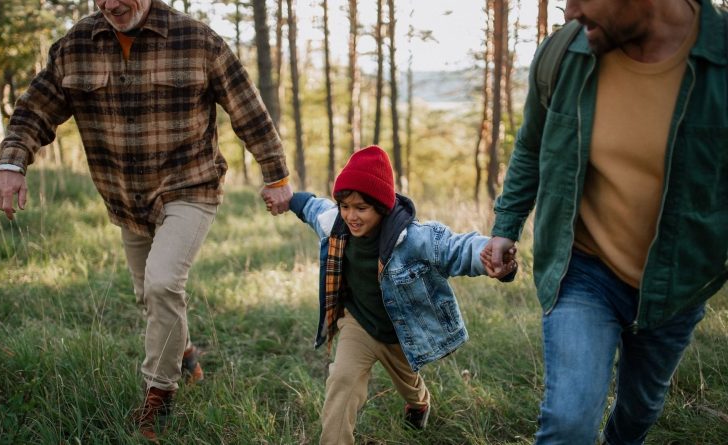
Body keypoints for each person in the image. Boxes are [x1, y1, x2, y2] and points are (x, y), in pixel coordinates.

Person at [0, 0, 292, 440]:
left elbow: (248, 109)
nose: (111, 4)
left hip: (190, 185)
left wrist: (276, 175)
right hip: (125, 198)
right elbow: (35, 110)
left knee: (163, 283)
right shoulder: (75, 46)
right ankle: (184, 354)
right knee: (148, 294)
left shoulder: (197, 40)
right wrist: (12, 164)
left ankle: (158, 395)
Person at [481, 0, 728, 444]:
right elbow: (532, 146)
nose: (570, 10)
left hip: (676, 287)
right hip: (584, 270)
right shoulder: (566, 52)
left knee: (638, 413)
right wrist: (505, 226)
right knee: (568, 422)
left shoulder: (721, 59)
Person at [280, 146, 517, 445]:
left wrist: (492, 258)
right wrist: (290, 199)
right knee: (342, 380)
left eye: (361, 208)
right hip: (359, 324)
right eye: (345, 205)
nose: (350, 215)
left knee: (410, 388)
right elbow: (312, 208)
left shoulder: (413, 239)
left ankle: (419, 404)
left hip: (399, 333)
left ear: (381, 206)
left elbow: (456, 248)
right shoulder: (334, 223)